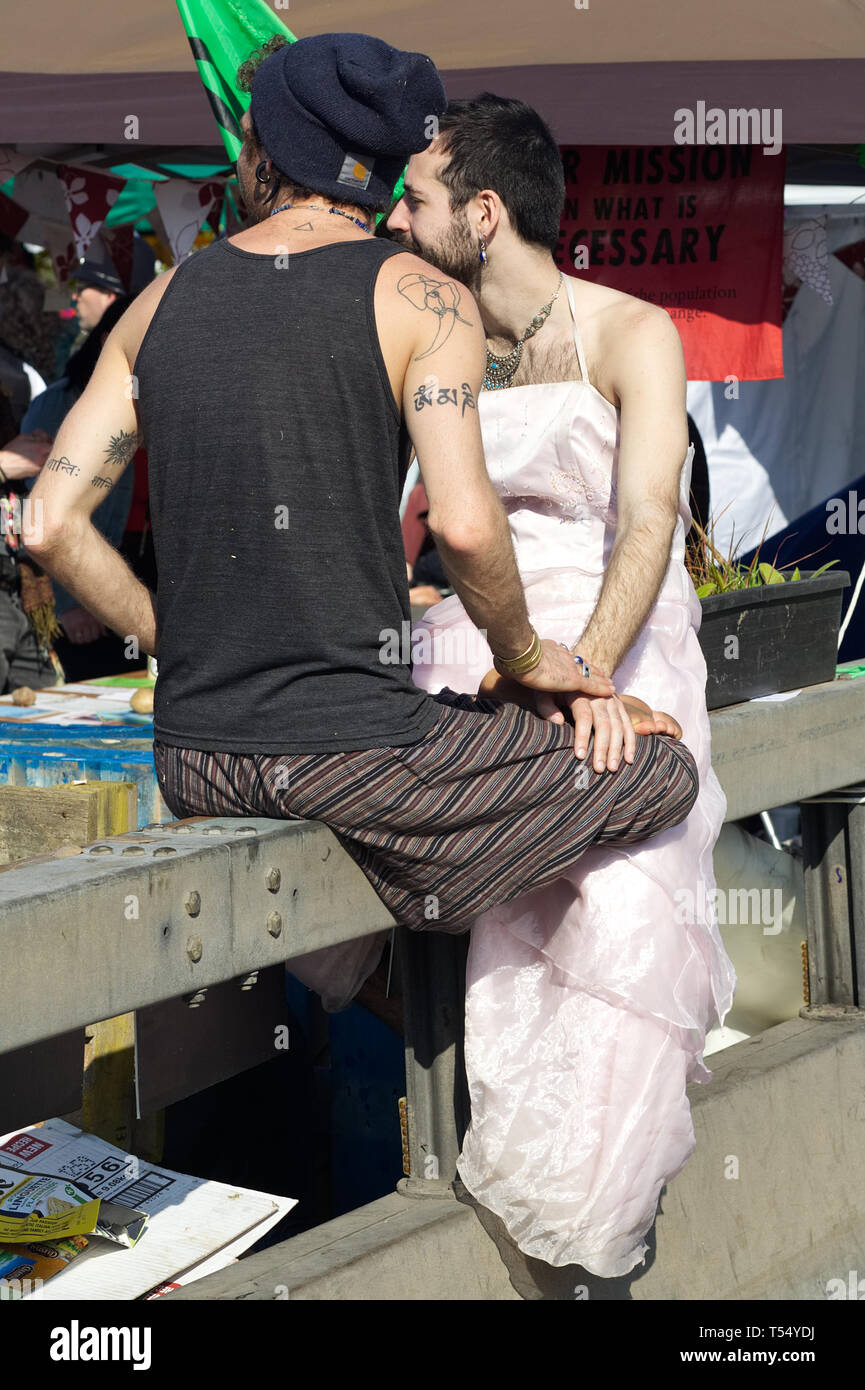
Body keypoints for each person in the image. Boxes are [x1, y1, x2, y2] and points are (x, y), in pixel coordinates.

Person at [29, 34, 697, 1029]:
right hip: (356, 754)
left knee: (447, 755)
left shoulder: (160, 302)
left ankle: (405, 957)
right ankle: (438, 952)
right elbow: (465, 528)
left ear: (266, 152)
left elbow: (48, 522)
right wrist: (527, 660)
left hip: (195, 754)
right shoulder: (424, 298)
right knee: (663, 773)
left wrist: (182, 640)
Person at [381, 93, 737, 1279]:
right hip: (481, 653)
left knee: (623, 916)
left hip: (618, 651)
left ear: (483, 213)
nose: (394, 212)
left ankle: (589, 1233)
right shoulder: (432, 344)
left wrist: (581, 669)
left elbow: (647, 523)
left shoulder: (634, 331)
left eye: (416, 195)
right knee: (483, 928)